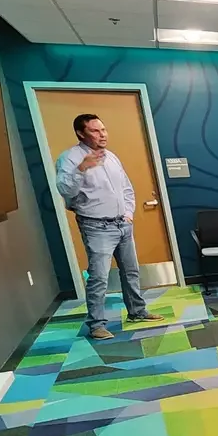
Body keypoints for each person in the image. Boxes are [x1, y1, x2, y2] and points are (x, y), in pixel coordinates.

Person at [54, 114, 163, 340]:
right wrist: (81, 169)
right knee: (99, 277)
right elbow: (65, 191)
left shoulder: (111, 157)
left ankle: (137, 311)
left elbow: (126, 188)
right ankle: (96, 325)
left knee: (131, 271)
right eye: (95, 131)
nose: (102, 135)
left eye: (103, 130)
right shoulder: (70, 159)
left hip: (122, 224)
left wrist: (129, 212)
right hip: (96, 227)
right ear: (80, 133)